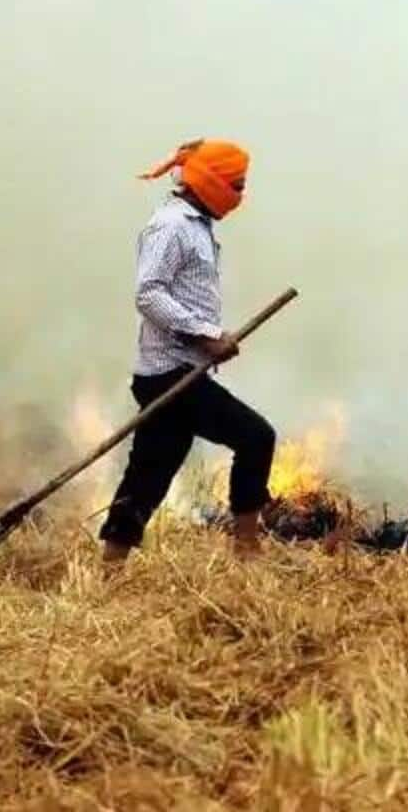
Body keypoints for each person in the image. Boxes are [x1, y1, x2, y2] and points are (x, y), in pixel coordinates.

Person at [98, 139, 277, 563]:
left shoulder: (196, 225)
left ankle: (110, 567)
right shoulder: (172, 225)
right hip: (170, 373)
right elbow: (148, 294)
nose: (239, 196)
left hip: (176, 370)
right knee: (256, 437)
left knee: (149, 473)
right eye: (236, 185)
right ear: (212, 183)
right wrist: (205, 334)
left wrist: (207, 339)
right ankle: (247, 549)